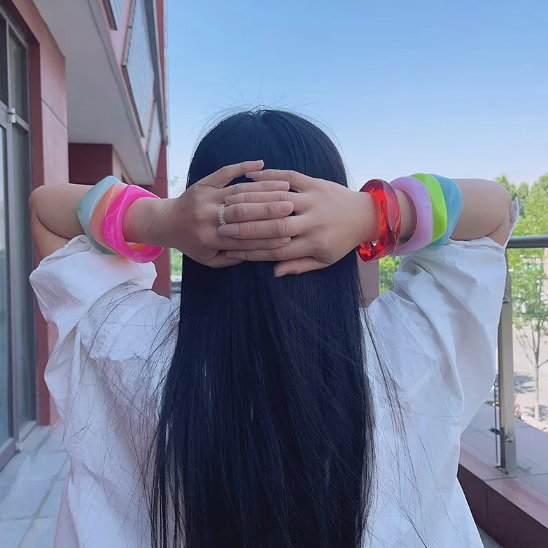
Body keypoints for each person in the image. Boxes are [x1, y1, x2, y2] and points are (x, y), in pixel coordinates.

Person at [29, 110, 515, 548]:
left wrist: (157, 218)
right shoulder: (412, 348)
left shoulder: (124, 346)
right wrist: (376, 213)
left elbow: (48, 211)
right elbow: (494, 212)